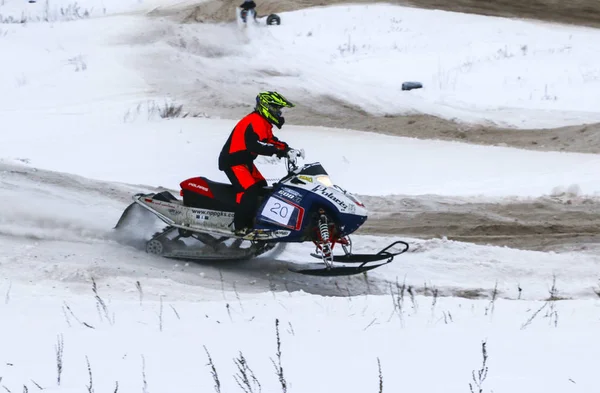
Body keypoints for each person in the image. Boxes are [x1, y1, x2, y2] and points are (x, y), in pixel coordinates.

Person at [219, 91, 295, 235]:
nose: (279, 113)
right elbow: (255, 145)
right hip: (233, 161)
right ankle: (241, 226)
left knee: (262, 187)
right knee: (249, 191)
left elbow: (270, 139)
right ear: (267, 107)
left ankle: (257, 220)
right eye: (276, 109)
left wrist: (286, 148)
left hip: (244, 162)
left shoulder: (262, 122)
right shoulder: (254, 120)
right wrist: (276, 151)